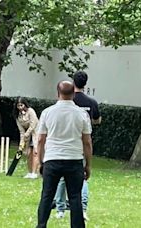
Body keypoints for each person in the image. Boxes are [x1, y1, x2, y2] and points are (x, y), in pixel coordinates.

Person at [36, 80, 93, 228]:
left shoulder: (47, 113)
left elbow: (41, 139)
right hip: (74, 159)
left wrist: (40, 161)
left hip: (52, 158)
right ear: (73, 94)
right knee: (75, 197)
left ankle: (41, 225)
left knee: (47, 196)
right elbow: (87, 142)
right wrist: (88, 164)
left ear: (57, 93)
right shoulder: (81, 114)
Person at [54, 71, 102, 221]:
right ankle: (83, 207)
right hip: (83, 143)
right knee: (82, 178)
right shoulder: (91, 102)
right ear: (85, 83)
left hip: (67, 141)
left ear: (73, 82)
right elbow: (97, 120)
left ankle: (60, 208)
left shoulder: (66, 99)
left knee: (62, 178)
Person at [12, 97, 39, 178]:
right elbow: (21, 131)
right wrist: (22, 143)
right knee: (28, 153)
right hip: (27, 134)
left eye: (21, 105)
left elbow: (33, 125)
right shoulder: (17, 115)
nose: (20, 107)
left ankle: (34, 173)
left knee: (35, 152)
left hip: (36, 132)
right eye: (18, 106)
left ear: (25, 104)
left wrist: (27, 133)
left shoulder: (31, 111)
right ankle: (30, 172)